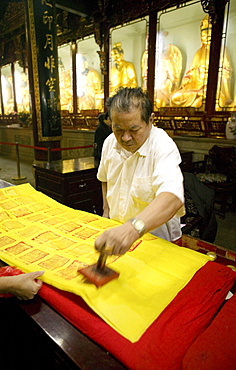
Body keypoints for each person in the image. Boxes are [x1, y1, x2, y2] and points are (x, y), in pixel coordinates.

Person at [95, 87, 185, 256]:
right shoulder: (109, 143)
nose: (125, 138)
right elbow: (105, 178)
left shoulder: (162, 145)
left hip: (155, 240)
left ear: (150, 120)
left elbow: (173, 197)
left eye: (134, 130)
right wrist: (106, 211)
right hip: (119, 233)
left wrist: (132, 229)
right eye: (118, 129)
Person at [171, 15, 233, 108]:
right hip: (195, 87)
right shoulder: (199, 52)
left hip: (209, 87)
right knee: (175, 97)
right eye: (203, 31)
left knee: (208, 98)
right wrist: (187, 78)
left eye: (209, 29)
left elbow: (226, 73)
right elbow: (191, 71)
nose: (206, 34)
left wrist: (210, 78)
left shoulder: (221, 50)